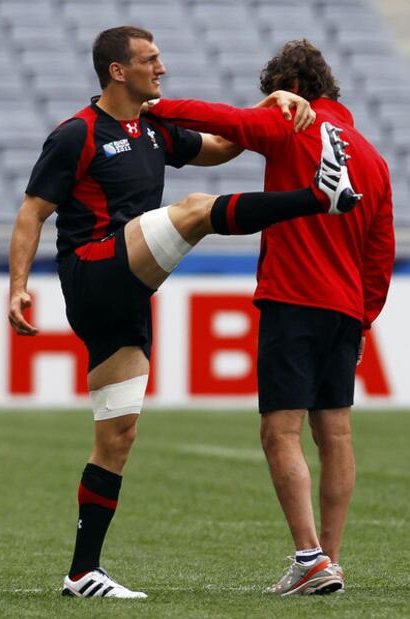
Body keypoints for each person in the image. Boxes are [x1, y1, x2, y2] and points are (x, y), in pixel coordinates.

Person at [8, 27, 359, 599]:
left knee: (118, 436)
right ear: (118, 71)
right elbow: (31, 213)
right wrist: (18, 287)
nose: (162, 69)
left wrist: (268, 107)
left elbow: (223, 148)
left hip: (126, 299)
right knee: (195, 211)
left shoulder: (153, 130)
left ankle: (81, 573)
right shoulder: (76, 134)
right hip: (93, 272)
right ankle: (321, 199)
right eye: (150, 60)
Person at [147, 39, 395, 596]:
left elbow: (224, 121)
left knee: (278, 431)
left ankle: (309, 560)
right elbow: (379, 253)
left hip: (293, 298)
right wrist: (364, 320)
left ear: (292, 92)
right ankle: (329, 559)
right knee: (336, 434)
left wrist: (153, 108)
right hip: (344, 309)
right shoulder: (375, 159)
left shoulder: (293, 124)